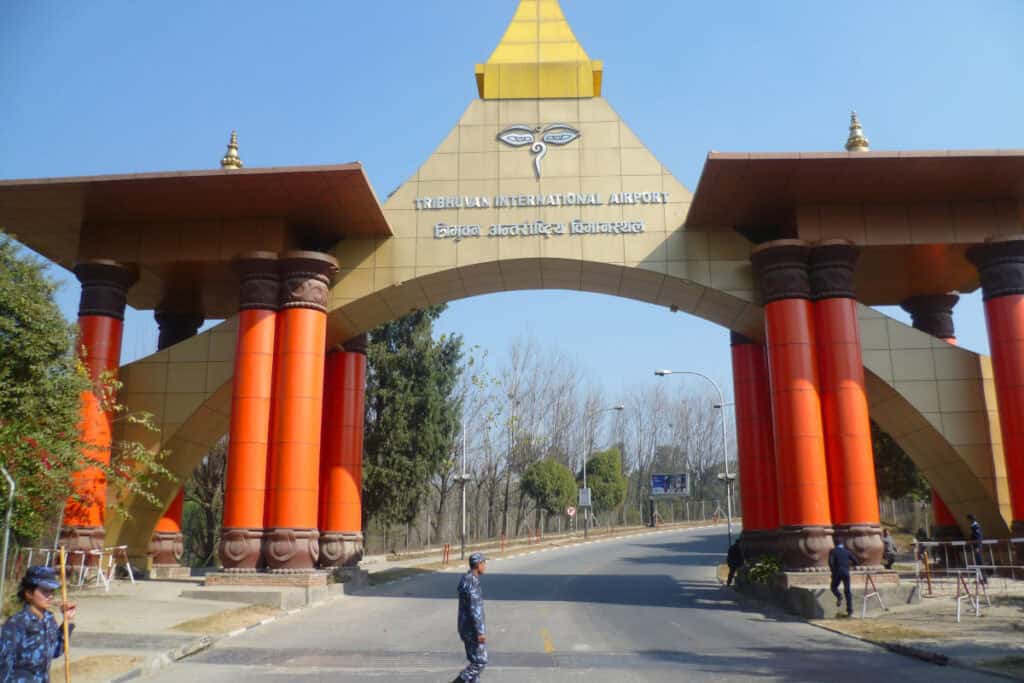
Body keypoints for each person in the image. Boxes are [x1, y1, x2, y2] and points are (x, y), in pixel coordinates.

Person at [1, 565, 76, 682]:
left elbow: (55, 651)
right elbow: (4, 664)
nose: (50, 596)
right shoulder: (16, 623)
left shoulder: (49, 620)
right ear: (29, 593)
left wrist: (67, 621)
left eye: (51, 591)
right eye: (45, 591)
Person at [453, 552, 487, 683]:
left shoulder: (467, 578)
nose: (485, 566)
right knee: (480, 661)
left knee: (474, 660)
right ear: (478, 565)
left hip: (465, 626)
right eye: (484, 563)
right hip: (471, 628)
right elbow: (475, 609)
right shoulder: (472, 582)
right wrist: (480, 631)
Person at [828, 541, 858, 617]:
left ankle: (839, 596)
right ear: (843, 545)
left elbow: (830, 562)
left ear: (836, 545)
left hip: (837, 573)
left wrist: (833, 571)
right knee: (847, 591)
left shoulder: (833, 551)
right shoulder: (847, 552)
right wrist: (848, 565)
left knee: (833, 587)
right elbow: (856, 562)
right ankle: (850, 610)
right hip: (846, 573)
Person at [967, 513, 988, 584]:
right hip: (976, 546)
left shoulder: (975, 526)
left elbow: (978, 538)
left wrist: (977, 547)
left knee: (980, 562)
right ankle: (980, 578)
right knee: (978, 563)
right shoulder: (974, 526)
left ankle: (984, 579)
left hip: (977, 546)